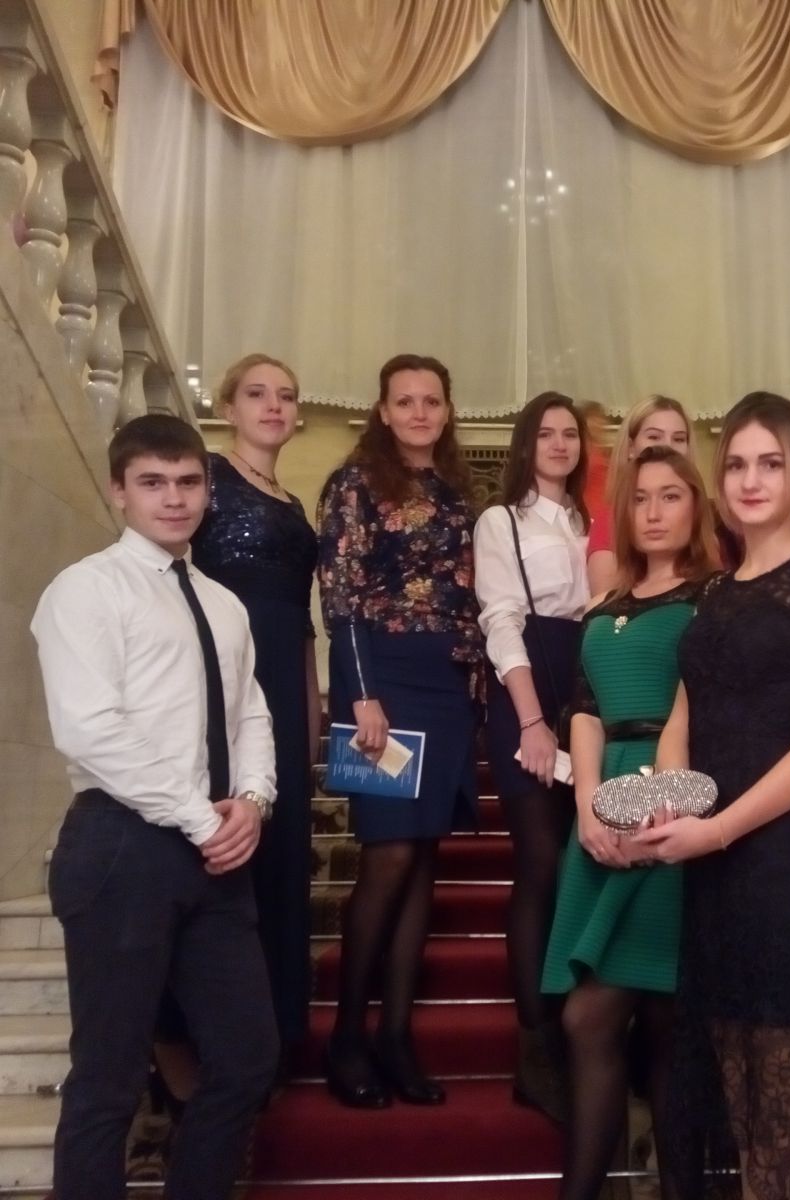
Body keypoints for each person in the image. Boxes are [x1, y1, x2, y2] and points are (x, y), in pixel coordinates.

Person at [634, 393, 790, 1200]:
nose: (750, 480)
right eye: (737, 464)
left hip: (783, 867)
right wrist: (669, 801)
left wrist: (718, 830)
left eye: (770, 463)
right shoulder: (714, 593)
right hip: (714, 878)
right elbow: (684, 716)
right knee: (741, 1116)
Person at [31, 414, 279, 1200]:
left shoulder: (222, 602)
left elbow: (250, 712)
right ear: (119, 491)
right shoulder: (86, 589)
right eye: (152, 483)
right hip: (122, 846)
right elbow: (91, 730)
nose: (174, 499)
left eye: (188, 482)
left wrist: (253, 798)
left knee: (247, 1059)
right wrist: (203, 817)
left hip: (215, 850)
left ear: (207, 491)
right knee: (108, 1078)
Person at [543, 445, 719, 1200]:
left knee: (660, 1021)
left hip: (676, 798)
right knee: (593, 1020)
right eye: (640, 498)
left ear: (696, 504)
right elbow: (583, 711)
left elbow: (711, 708)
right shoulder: (603, 607)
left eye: (670, 495)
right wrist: (587, 803)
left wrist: (662, 800)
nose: (652, 511)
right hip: (602, 796)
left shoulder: (715, 597)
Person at [317, 353, 483, 1109]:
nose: (419, 412)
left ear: (447, 410)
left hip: (447, 688)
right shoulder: (354, 483)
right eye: (405, 401)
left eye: (431, 401)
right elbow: (342, 600)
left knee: (422, 862)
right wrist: (361, 698)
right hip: (382, 685)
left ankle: (396, 1038)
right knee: (387, 856)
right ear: (382, 411)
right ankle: (347, 1038)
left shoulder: (458, 491)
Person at [191, 353, 319, 1060]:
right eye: (258, 394)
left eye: (286, 396)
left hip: (284, 678)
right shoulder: (206, 478)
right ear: (228, 406)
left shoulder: (294, 504)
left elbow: (302, 621)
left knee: (281, 851)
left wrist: (310, 706)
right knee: (229, 850)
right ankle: (215, 1042)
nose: (274, 406)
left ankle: (272, 1038)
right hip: (223, 674)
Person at [473, 391, 591, 1120]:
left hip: (588, 684)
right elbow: (500, 620)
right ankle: (535, 1044)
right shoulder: (502, 521)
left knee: (579, 863)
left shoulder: (591, 521)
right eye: (545, 433)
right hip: (528, 687)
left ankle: (580, 1029)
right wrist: (531, 723)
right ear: (525, 442)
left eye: (570, 433)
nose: (559, 443)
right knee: (540, 863)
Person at [586, 395, 692, 594]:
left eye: (679, 439)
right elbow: (605, 606)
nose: (667, 447)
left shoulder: (701, 520)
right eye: (654, 437)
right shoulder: (611, 522)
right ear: (631, 447)